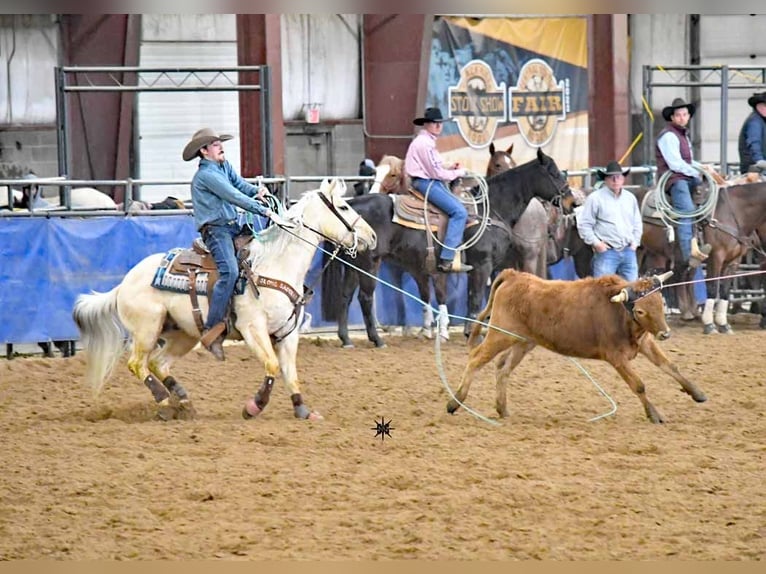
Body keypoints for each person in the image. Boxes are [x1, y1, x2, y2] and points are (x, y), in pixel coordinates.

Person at [183, 127, 294, 361]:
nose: (220, 146)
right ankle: (212, 329)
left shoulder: (223, 166)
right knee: (230, 271)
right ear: (204, 151)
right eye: (214, 144)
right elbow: (232, 195)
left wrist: (258, 191)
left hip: (231, 225)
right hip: (216, 230)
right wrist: (263, 210)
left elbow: (240, 185)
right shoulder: (206, 176)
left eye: (218, 143)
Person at [404, 107, 472, 273]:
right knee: (460, 212)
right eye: (435, 123)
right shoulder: (425, 144)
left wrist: (449, 166)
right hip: (426, 183)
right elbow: (436, 172)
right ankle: (447, 258)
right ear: (426, 124)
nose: (438, 126)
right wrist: (458, 172)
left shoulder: (426, 142)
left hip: (427, 181)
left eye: (440, 123)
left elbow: (436, 163)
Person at [655, 97, 711, 268]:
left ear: (688, 117)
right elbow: (675, 164)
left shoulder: (683, 135)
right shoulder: (668, 136)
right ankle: (688, 255)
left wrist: (704, 168)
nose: (682, 118)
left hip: (686, 177)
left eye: (684, 114)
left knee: (706, 202)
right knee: (686, 211)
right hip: (674, 179)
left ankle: (698, 242)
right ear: (672, 118)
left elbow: (688, 160)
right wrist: (696, 173)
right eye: (678, 115)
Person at [576, 161, 642, 281]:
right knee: (603, 292)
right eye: (611, 177)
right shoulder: (595, 198)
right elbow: (584, 224)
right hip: (607, 252)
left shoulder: (630, 198)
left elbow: (637, 223)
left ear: (623, 179)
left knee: (632, 291)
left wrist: (635, 242)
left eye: (618, 177)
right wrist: (597, 243)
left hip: (628, 251)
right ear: (605, 179)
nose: (615, 180)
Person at [738, 91, 766, 175]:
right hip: (755, 169)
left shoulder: (760, 121)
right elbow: (754, 142)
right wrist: (759, 160)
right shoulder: (755, 121)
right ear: (760, 106)